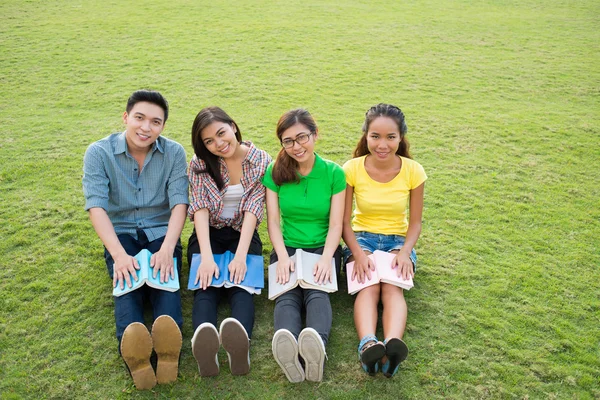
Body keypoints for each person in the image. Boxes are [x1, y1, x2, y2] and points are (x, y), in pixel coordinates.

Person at [82, 90, 188, 390]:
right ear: (126, 117)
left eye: (156, 122)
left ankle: (168, 351)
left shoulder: (174, 153)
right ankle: (135, 353)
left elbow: (180, 203)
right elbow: (96, 206)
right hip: (121, 233)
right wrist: (118, 254)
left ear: (163, 126)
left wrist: (168, 248)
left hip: (160, 230)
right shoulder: (99, 152)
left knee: (164, 280)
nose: (146, 128)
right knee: (127, 283)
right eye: (139, 118)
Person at [341, 103, 427, 377]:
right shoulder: (351, 169)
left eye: (390, 137)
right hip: (361, 238)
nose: (382, 144)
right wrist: (358, 252)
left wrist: (404, 253)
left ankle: (391, 346)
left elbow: (415, 224)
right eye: (375, 136)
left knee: (391, 288)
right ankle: (368, 344)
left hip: (397, 241)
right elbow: (344, 223)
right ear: (365, 135)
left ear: (401, 138)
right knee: (368, 287)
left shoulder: (413, 171)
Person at [262, 109, 346, 383]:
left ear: (315, 134)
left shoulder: (334, 173)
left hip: (323, 247)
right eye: (288, 141)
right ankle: (288, 347)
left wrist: (326, 258)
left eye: (302, 138)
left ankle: (315, 347)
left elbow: (336, 225)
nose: (296, 147)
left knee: (316, 292)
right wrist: (283, 257)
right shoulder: (275, 171)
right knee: (287, 295)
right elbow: (273, 222)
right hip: (286, 247)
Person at [187, 107, 271, 377]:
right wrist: (207, 257)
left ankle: (240, 344)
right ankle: (205, 345)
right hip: (207, 232)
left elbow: (253, 209)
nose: (218, 144)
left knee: (241, 286)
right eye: (209, 141)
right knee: (205, 287)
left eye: (221, 134)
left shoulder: (260, 160)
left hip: (242, 233)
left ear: (233, 126)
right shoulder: (199, 162)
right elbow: (199, 208)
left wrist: (240, 256)